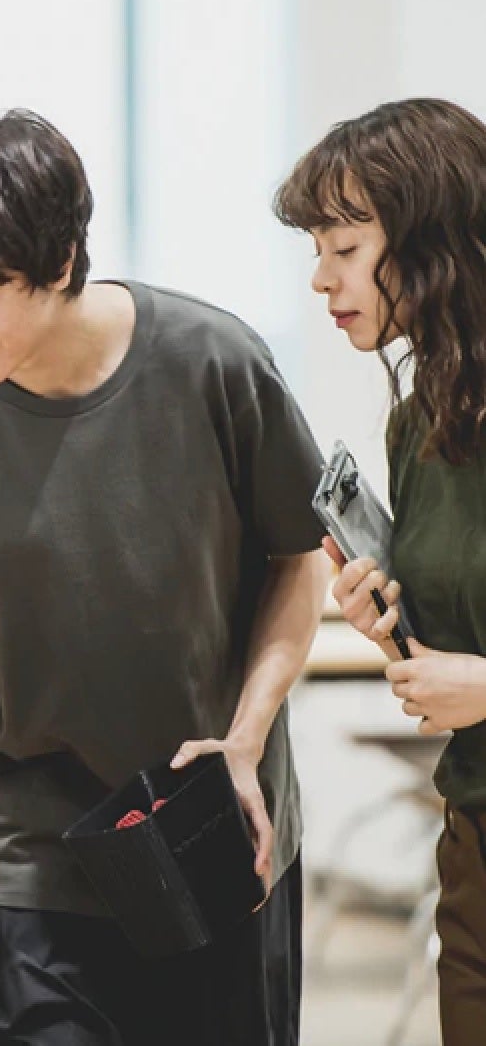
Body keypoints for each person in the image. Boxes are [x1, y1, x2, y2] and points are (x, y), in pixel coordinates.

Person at [0, 109, 330, 1045]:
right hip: (22, 847)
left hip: (212, 814)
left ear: (61, 260)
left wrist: (244, 741)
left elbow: (294, 561)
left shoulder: (214, 365)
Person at [274, 96, 486, 1045]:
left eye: (345, 247)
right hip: (473, 837)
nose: (321, 278)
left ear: (435, 240)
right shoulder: (421, 420)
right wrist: (392, 616)